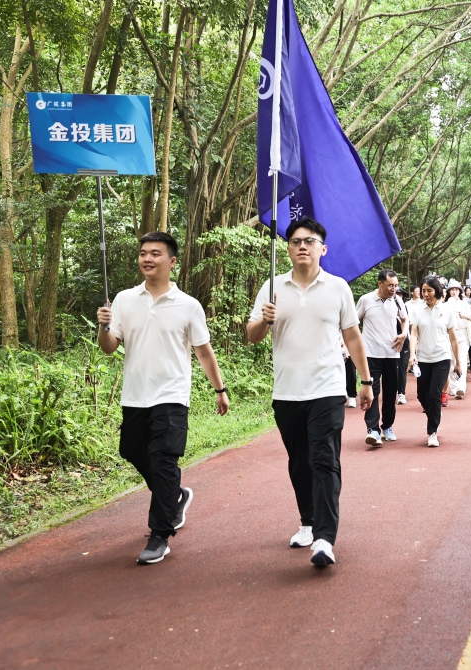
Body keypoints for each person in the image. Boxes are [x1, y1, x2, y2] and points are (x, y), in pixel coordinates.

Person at [96, 231, 229, 565]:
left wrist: (220, 389)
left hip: (171, 395)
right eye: (143, 253)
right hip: (135, 395)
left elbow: (204, 352)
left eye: (155, 253)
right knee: (131, 450)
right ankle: (177, 496)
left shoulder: (188, 305)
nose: (147, 259)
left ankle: (159, 534)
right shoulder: (125, 300)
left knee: (163, 459)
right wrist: (104, 326)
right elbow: (110, 348)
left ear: (171, 262)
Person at [247, 217, 372, 567]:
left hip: (328, 389)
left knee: (324, 460)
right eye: (296, 241)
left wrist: (365, 381)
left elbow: (352, 337)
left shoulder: (338, 287)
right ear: (287, 248)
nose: (302, 245)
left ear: (322, 248)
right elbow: (252, 335)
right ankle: (307, 521)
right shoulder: (272, 287)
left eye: (310, 241)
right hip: (287, 391)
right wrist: (263, 320)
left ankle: (324, 538)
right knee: (300, 462)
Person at [356, 269, 408, 447]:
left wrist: (404, 334)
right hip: (370, 355)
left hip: (392, 354)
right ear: (380, 284)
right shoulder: (365, 300)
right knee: (373, 392)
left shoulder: (398, 300)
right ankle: (372, 430)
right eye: (390, 285)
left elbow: (405, 319)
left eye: (395, 285)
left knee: (390, 392)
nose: (394, 289)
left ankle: (387, 427)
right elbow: (354, 322)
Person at [408, 276, 461, 447]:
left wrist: (458, 361)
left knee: (434, 393)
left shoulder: (447, 310)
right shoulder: (417, 310)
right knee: (421, 395)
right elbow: (414, 333)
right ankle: (435, 413)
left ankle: (432, 432)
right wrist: (412, 354)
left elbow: (453, 338)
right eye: (423, 291)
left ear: (437, 291)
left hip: (442, 357)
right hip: (423, 357)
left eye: (429, 291)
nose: (426, 294)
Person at [445, 279, 471, 400]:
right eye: (452, 289)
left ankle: (460, 387)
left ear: (460, 291)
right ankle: (453, 387)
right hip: (449, 335)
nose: (454, 292)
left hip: (463, 335)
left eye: (456, 289)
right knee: (451, 361)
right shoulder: (445, 305)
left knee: (461, 360)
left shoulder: (465, 304)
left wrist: (464, 316)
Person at [398, 286, 423, 406]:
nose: (398, 296)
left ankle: (401, 393)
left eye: (400, 294)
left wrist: (410, 340)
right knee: (392, 370)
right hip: (389, 344)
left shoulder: (403, 308)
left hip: (406, 341)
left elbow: (408, 326)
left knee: (402, 368)